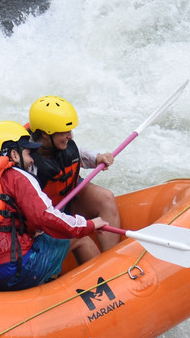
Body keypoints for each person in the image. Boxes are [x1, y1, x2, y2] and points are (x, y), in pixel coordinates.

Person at [0, 121, 108, 292]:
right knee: (79, 237)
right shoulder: (15, 175)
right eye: (28, 153)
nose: (32, 160)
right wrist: (89, 225)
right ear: (14, 154)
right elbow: (44, 217)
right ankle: (108, 288)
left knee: (38, 238)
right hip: (15, 271)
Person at [28, 95, 122, 257]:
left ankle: (112, 259)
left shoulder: (61, 143)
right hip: (47, 219)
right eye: (64, 132)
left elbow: (77, 153)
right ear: (44, 134)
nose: (70, 135)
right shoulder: (27, 161)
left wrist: (97, 158)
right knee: (79, 239)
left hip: (69, 202)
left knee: (106, 197)